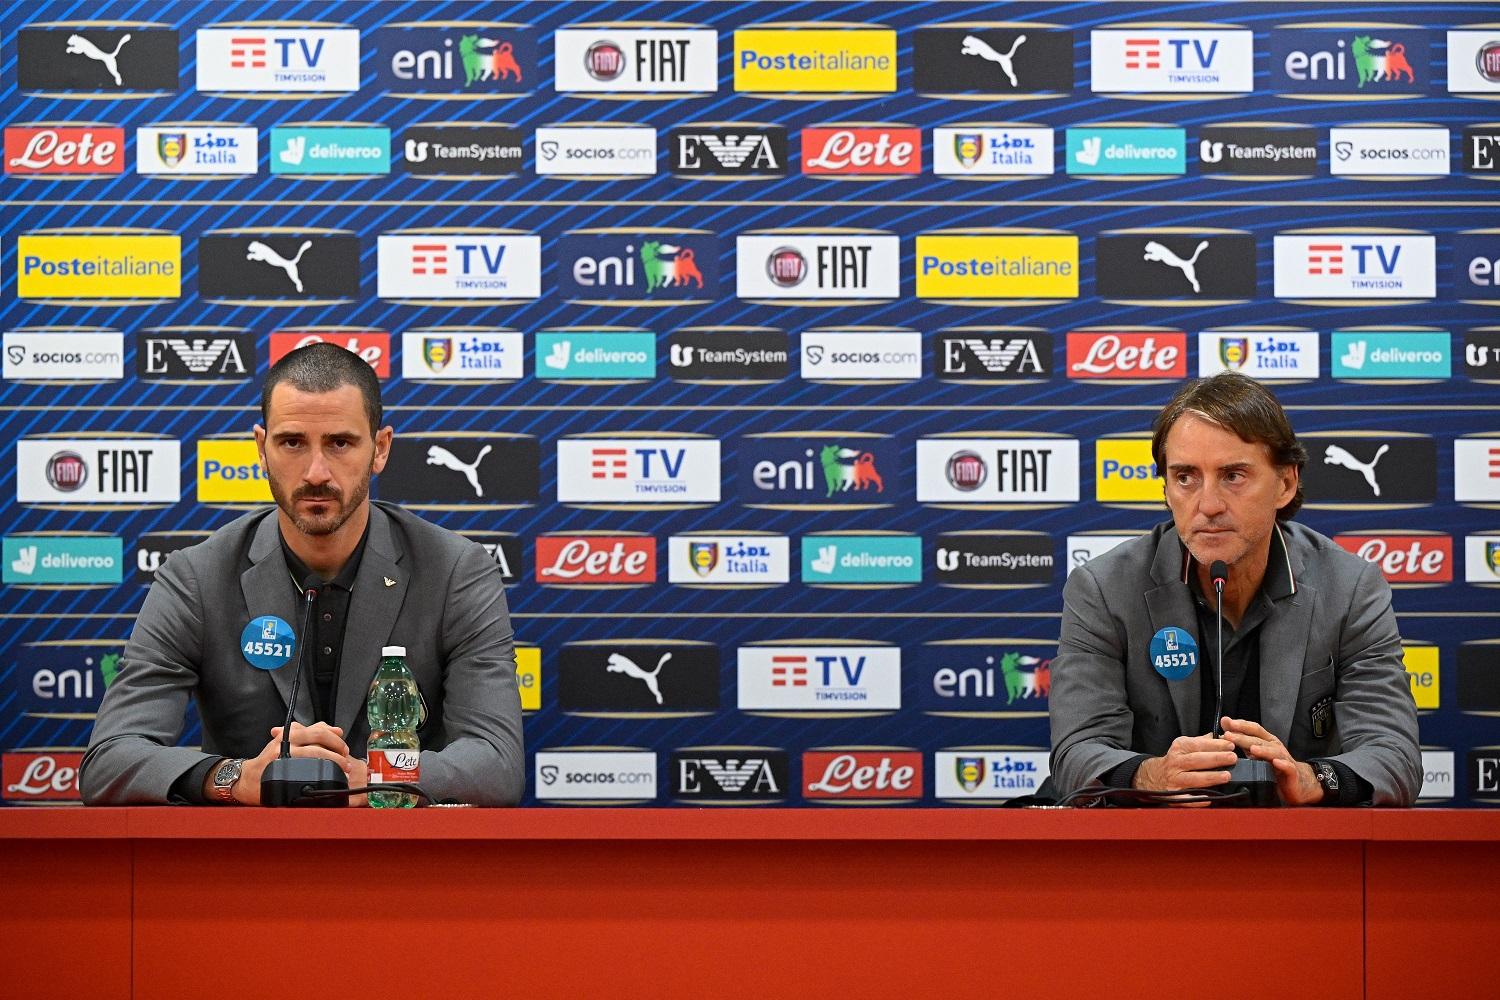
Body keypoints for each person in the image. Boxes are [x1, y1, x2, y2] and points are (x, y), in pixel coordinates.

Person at [81, 343, 524, 806]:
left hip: (401, 864)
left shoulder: (456, 572)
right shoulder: (196, 577)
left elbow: (497, 764)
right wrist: (237, 776)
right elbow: (110, 760)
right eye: (292, 442)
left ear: (380, 449)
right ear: (261, 448)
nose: (316, 472)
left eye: (340, 442)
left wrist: (371, 778)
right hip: (246, 866)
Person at [1049, 372, 1420, 806]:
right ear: (1166, 488)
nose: (1207, 505)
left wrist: (1311, 778)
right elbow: (1076, 754)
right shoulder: (1104, 589)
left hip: (1295, 856)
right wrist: (1153, 774)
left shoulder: (1351, 588)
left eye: (1233, 476)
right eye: (1186, 477)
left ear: (1285, 483)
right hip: (1153, 854)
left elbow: (1395, 759)